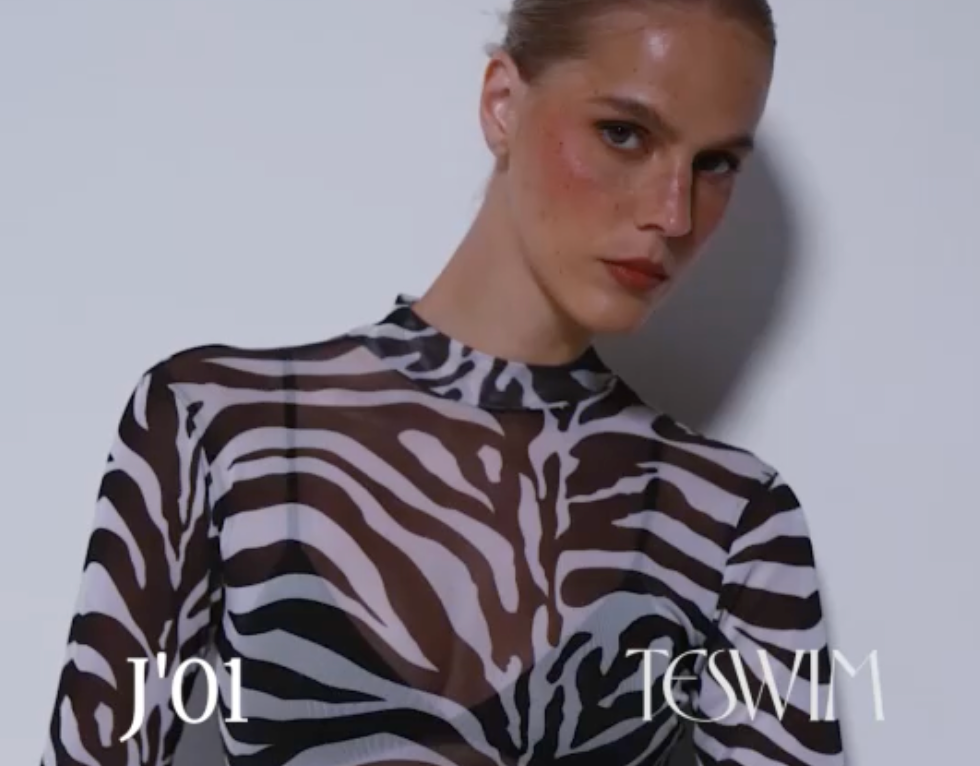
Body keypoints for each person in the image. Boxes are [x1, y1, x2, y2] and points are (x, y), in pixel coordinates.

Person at [41, 0, 847, 764]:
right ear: (503, 103)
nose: (674, 214)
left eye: (714, 164)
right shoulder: (219, 427)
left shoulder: (732, 521)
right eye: (624, 134)